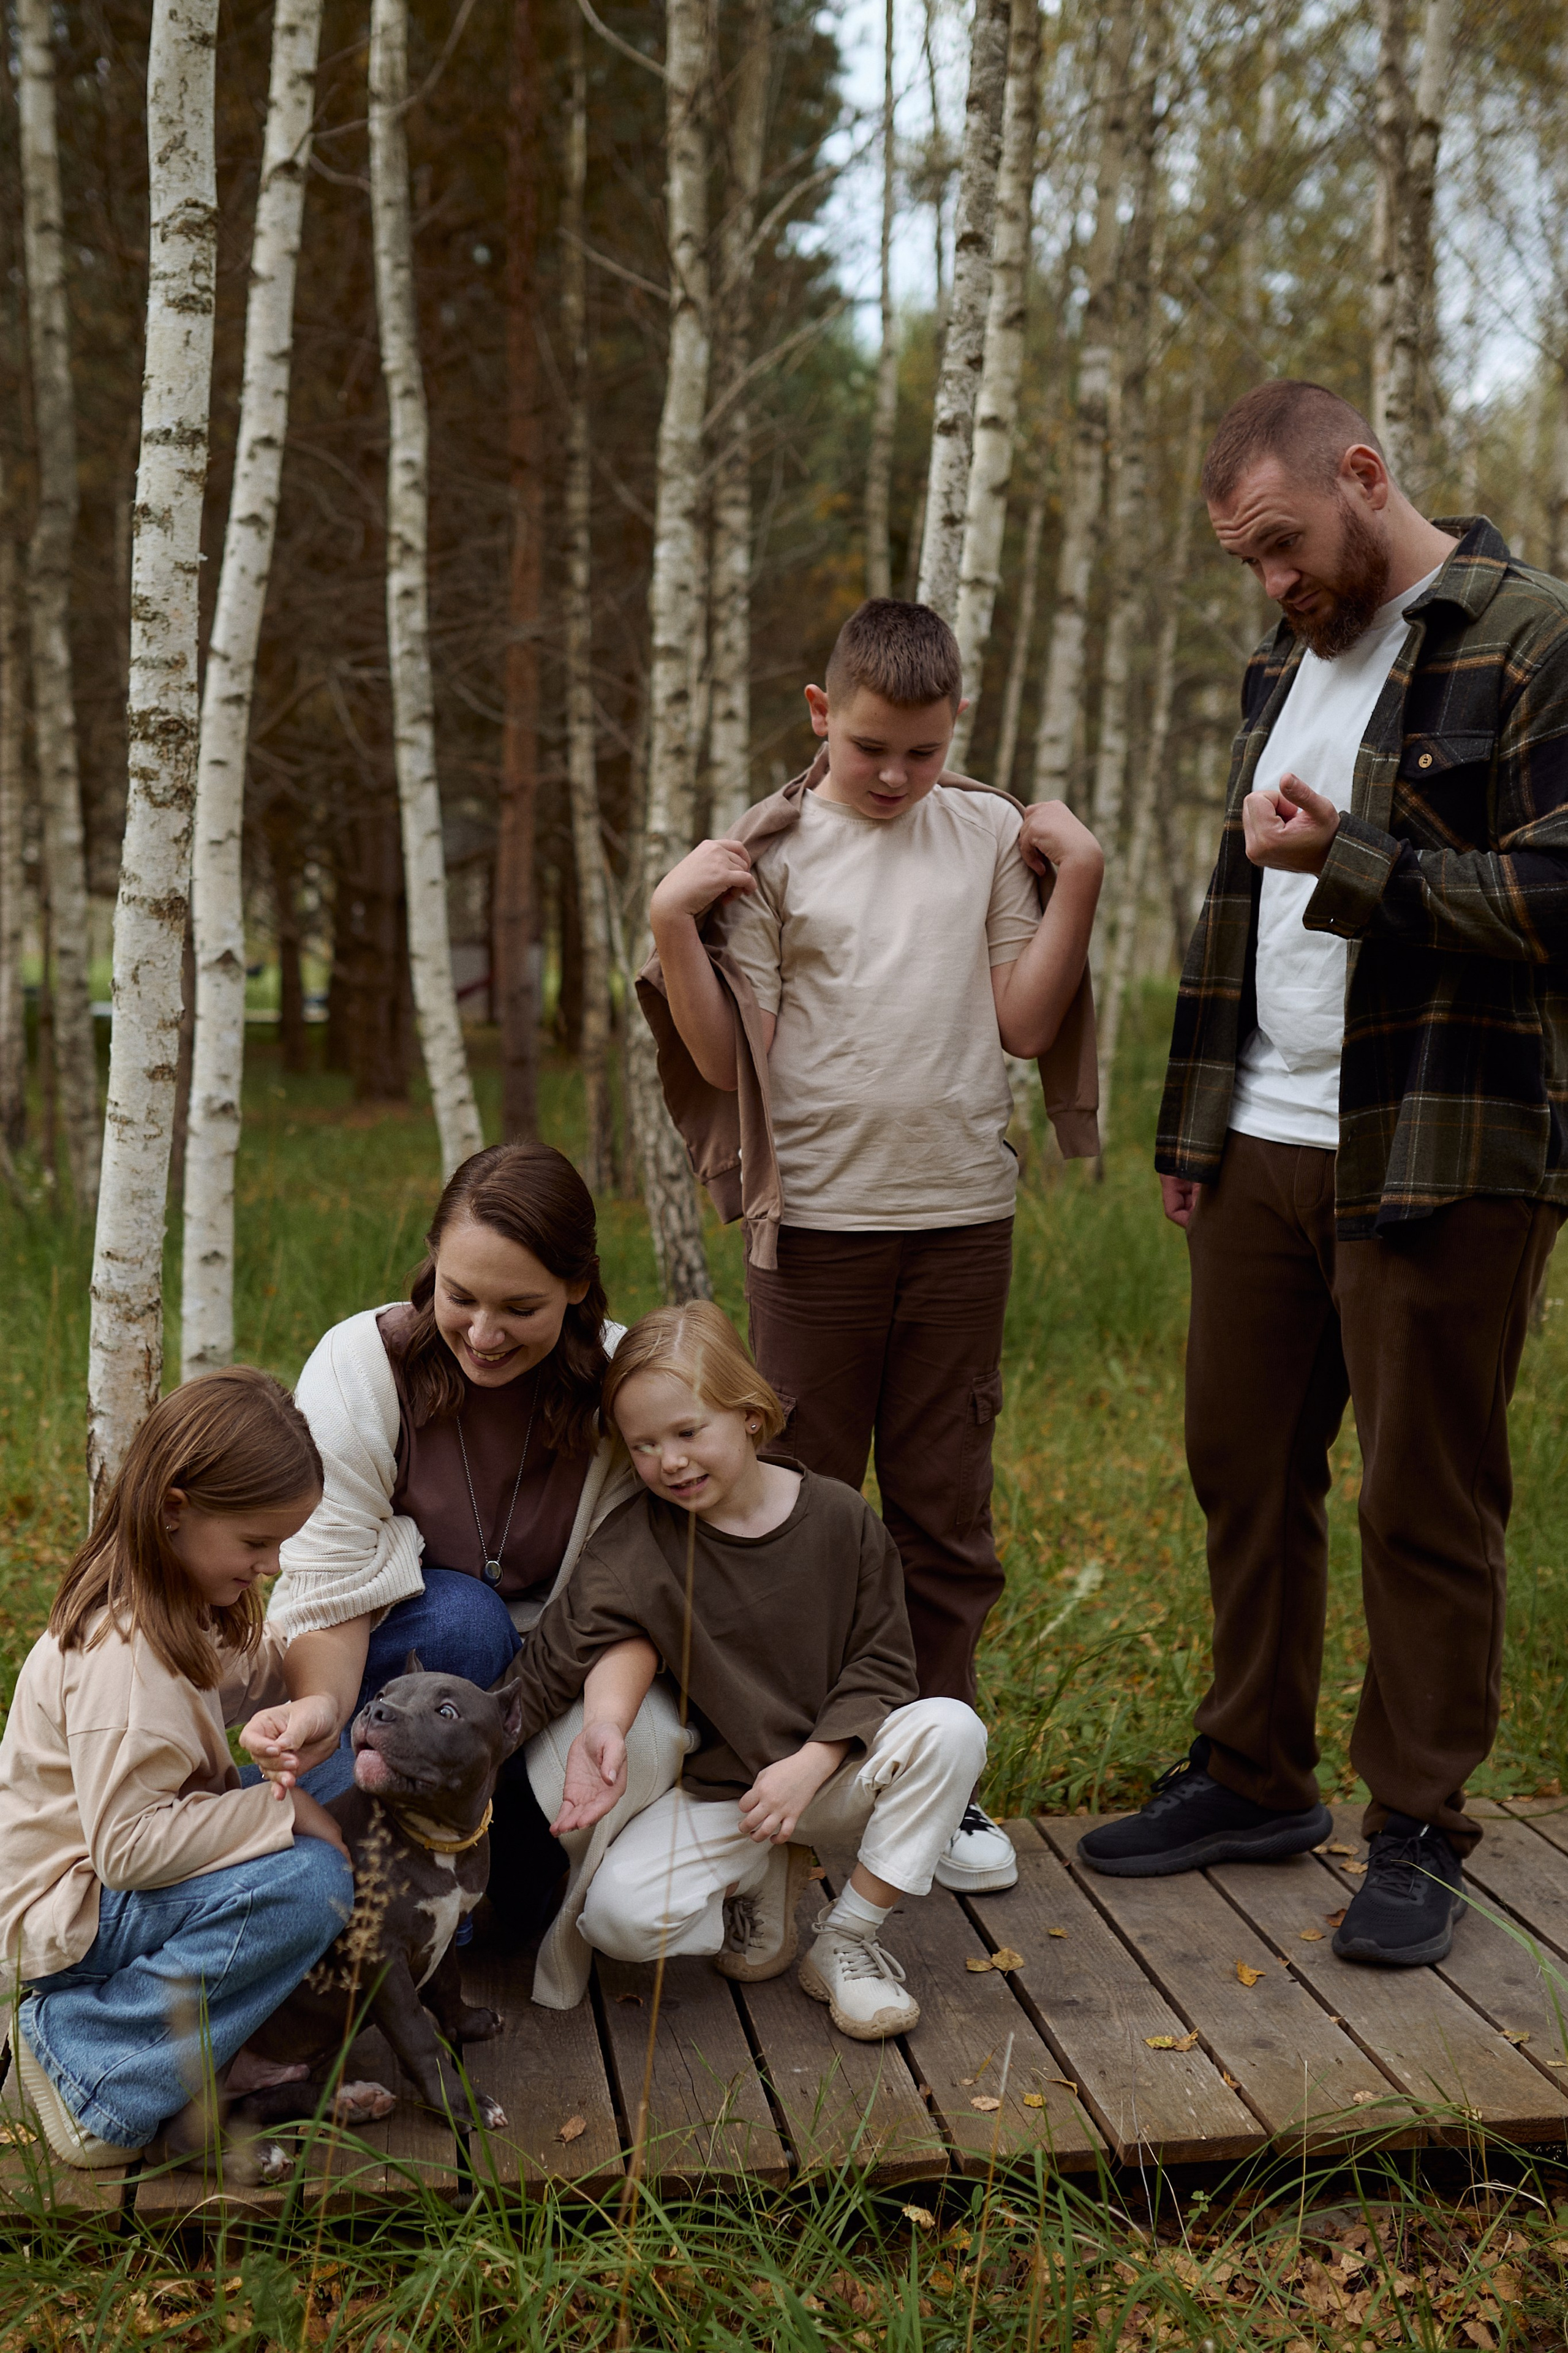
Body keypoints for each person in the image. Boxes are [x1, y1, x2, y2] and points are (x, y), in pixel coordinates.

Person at [1078, 380, 1567, 1967]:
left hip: (1439, 1146)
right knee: (1244, 1472)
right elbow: (1236, 918)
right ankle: (1251, 1774)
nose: (1273, 584)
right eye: (1249, 563)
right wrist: (1191, 1126)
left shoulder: (1532, 635)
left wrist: (1351, 854)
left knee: (1424, 1500)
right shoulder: (1286, 662)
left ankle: (1417, 1823)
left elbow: (1556, 896)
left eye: (1284, 544)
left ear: (1365, 476)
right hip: (1261, 1145)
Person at [640, 598, 1103, 1896]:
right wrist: (674, 919)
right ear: (818, 718)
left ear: (956, 726)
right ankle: (781, 1767)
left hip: (960, 1220)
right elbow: (733, 1061)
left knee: (944, 1513)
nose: (896, 777)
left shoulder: (983, 836)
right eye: (868, 750)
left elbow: (1022, 1023)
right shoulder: (769, 855)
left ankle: (936, 1785)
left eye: (922, 749)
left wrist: (1082, 875)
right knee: (794, 1505)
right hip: (819, 1234)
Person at [243, 1140, 684, 2001]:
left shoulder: (630, 1385)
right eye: (460, 1296)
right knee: (464, 1620)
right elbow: (327, 1593)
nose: (483, 1334)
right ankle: (285, 1858)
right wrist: (323, 1711)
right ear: (432, 1267)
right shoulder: (359, 1369)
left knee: (515, 1917)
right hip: (396, 1673)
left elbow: (645, 1588)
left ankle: (468, 1889)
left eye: (521, 1307)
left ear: (581, 1288)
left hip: (543, 1684)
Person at [505, 1301, 988, 2039]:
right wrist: (461, 1746)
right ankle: (760, 1873)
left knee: (951, 1728)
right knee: (615, 1920)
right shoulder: (636, 1541)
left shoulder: (839, 1518)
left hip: (837, 1768)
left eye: (689, 1431)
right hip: (734, 1795)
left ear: (751, 1415)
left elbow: (884, 1663)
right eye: (643, 1444)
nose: (668, 1460)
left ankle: (848, 1939)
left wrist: (816, 1759)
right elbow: (548, 1665)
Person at [0, 1369, 353, 2170]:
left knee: (335, 1799)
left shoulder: (181, 1601)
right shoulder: (124, 1661)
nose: (269, 1565)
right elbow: (127, 1847)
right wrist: (280, 1812)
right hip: (72, 1908)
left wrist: (307, 1711)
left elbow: (259, 1668)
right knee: (312, 1882)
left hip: (112, 1889)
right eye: (256, 1543)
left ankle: (199, 2049)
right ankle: (83, 2066)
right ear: (175, 1509)